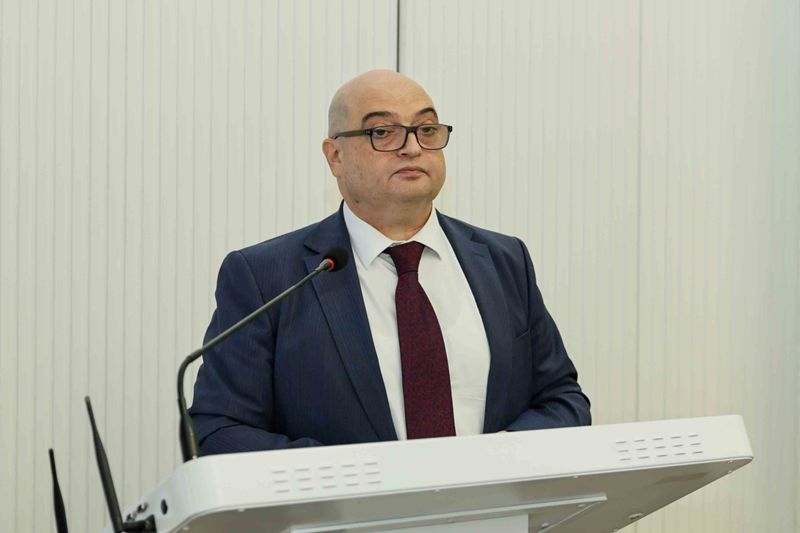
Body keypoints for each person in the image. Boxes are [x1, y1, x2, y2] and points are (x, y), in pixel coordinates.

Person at [190, 70, 590, 454]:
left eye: (426, 129)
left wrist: (498, 458)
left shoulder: (504, 261)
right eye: (382, 132)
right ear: (335, 156)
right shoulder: (268, 277)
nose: (412, 147)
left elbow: (562, 400)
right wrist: (359, 477)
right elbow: (219, 430)